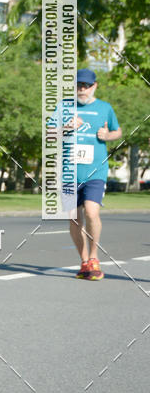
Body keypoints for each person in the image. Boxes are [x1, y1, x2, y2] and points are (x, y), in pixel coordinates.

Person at [68, 68, 121, 280]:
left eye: (86, 85)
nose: (82, 89)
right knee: (73, 218)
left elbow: (118, 131)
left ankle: (94, 257)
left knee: (91, 212)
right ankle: (83, 262)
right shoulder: (65, 107)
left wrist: (107, 135)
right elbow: (49, 133)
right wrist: (66, 127)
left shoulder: (105, 108)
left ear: (94, 86)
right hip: (69, 171)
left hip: (95, 170)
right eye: (79, 85)